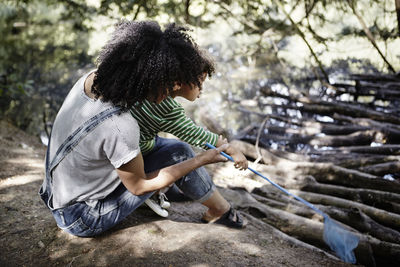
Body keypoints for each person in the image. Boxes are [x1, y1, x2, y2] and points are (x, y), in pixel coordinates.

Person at [39, 20, 246, 237]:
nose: (174, 89)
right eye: (171, 84)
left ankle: (187, 195)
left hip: (53, 191)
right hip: (82, 217)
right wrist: (201, 159)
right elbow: (138, 186)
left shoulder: (93, 79)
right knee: (180, 154)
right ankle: (220, 210)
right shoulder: (121, 126)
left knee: (174, 149)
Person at [132, 72, 249, 217]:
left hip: (139, 147)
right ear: (178, 83)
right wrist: (232, 150)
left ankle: (164, 190)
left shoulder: (145, 88)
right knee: (181, 152)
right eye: (200, 82)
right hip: (133, 163)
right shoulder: (165, 107)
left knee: (169, 143)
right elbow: (199, 136)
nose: (202, 88)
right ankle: (219, 211)